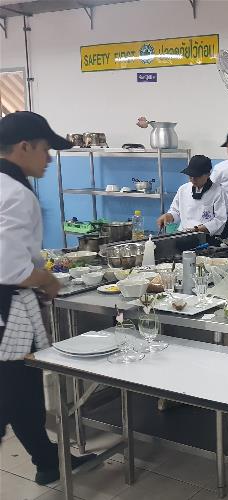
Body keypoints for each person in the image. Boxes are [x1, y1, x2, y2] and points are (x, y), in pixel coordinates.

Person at [0, 111, 96, 485]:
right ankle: (48, 462)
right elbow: (10, 268)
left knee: (14, 387)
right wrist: (47, 280)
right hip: (9, 305)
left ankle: (48, 461)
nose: (50, 159)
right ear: (24, 147)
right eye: (45, 149)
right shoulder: (15, 194)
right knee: (19, 390)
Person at [156, 154, 227, 236]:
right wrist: (169, 216)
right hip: (183, 234)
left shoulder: (218, 192)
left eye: (197, 176)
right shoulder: (183, 189)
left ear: (208, 174)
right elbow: (176, 211)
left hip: (206, 236)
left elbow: (219, 220)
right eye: (190, 176)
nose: (193, 179)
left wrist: (197, 230)